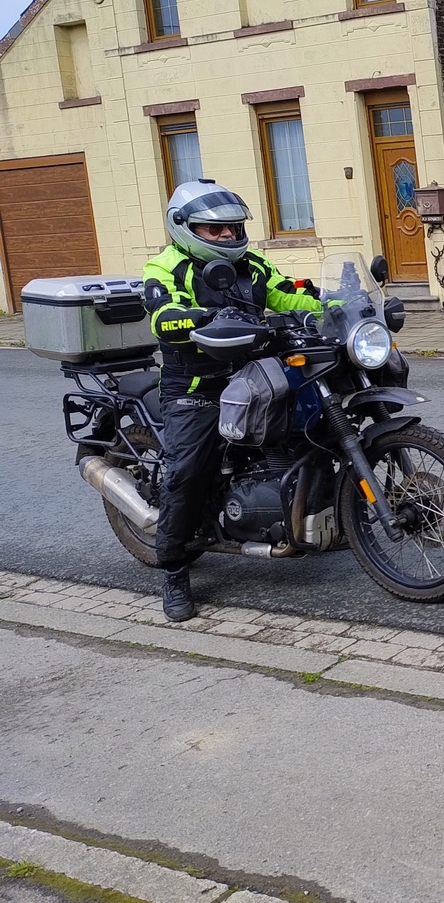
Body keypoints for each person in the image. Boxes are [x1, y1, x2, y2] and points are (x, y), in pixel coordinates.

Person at [142, 180, 321, 622]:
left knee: (313, 424)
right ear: (184, 228)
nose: (228, 235)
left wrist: (336, 302)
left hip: (251, 377)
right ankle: (174, 569)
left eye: (234, 228)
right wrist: (205, 317)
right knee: (186, 473)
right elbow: (163, 318)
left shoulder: (253, 264)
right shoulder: (166, 266)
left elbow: (287, 293)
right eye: (215, 229)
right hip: (195, 388)